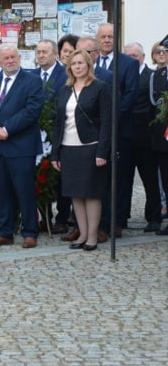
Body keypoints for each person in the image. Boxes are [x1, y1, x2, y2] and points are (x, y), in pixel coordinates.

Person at [0, 44, 45, 248]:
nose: (10, 61)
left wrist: (7, 129)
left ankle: (30, 232)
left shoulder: (32, 81)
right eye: (5, 58)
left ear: (19, 58)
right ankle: (5, 231)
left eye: (13, 57)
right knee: (1, 190)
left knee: (24, 191)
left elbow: (32, 110)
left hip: (21, 145)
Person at [51, 49, 111, 251]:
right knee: (75, 193)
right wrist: (55, 153)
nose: (77, 67)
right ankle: (82, 233)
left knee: (91, 194)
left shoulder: (100, 88)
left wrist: (102, 152)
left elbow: (107, 122)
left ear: (89, 65)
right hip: (68, 148)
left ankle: (92, 236)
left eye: (81, 63)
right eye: (74, 63)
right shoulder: (65, 89)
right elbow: (59, 123)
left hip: (90, 148)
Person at [94, 23, 138, 237]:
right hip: (95, 133)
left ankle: (117, 221)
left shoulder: (128, 63)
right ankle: (98, 221)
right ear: (97, 39)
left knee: (119, 179)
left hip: (120, 130)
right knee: (99, 178)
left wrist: (109, 122)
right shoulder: (91, 63)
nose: (107, 40)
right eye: (103, 36)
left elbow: (130, 96)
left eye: (110, 36)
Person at [31, 39, 68, 232]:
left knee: (60, 177)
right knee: (40, 175)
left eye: (45, 52)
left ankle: (62, 218)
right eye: (38, 52)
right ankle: (43, 216)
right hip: (36, 132)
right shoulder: (31, 75)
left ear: (55, 54)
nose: (41, 55)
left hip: (58, 132)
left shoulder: (65, 75)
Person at [123, 41, 161, 232]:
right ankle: (121, 217)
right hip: (124, 137)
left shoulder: (152, 76)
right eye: (127, 56)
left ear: (143, 57)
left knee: (150, 181)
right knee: (123, 181)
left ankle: (153, 217)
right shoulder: (120, 75)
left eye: (134, 56)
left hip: (145, 138)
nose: (131, 60)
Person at [151, 38, 168, 235]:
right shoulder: (156, 76)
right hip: (162, 136)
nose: (162, 54)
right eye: (159, 51)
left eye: (165, 51)